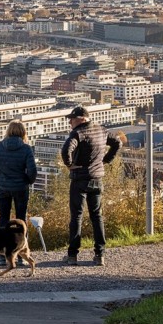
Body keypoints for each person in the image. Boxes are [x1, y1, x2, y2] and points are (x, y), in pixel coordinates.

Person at [60, 106, 122, 267]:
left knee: (77, 217)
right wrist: (106, 160)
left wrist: (69, 165)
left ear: (81, 119)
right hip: (97, 179)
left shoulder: (78, 133)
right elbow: (117, 142)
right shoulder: (101, 130)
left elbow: (66, 149)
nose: (70, 123)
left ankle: (72, 255)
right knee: (97, 216)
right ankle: (100, 254)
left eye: (72, 119)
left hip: (80, 179)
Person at [0, 120, 37, 266]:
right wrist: (28, 181)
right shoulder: (26, 149)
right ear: (23, 132)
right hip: (21, 188)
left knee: (3, 219)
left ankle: (2, 255)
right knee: (21, 220)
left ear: (8, 131)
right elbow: (32, 170)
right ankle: (21, 255)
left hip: (3, 187)